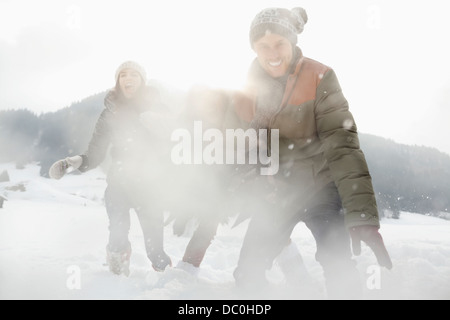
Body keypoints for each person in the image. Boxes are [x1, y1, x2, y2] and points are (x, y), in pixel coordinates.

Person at [231, 7, 393, 298]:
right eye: (262, 46)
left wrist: (362, 214)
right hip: (278, 190)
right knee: (247, 273)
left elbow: (342, 143)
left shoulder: (320, 76)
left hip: (321, 186)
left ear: (292, 42)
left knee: (338, 265)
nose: (272, 52)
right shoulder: (247, 87)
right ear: (253, 48)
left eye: (280, 43)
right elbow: (240, 145)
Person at [49, 61, 172, 276]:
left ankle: (167, 284)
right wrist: (72, 162)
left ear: (142, 80)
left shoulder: (158, 107)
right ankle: (115, 282)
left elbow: (177, 141)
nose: (128, 79)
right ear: (118, 81)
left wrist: (161, 127)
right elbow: (95, 153)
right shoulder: (109, 114)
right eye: (123, 75)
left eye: (134, 74)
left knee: (155, 250)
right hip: (119, 183)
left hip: (151, 186)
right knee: (116, 239)